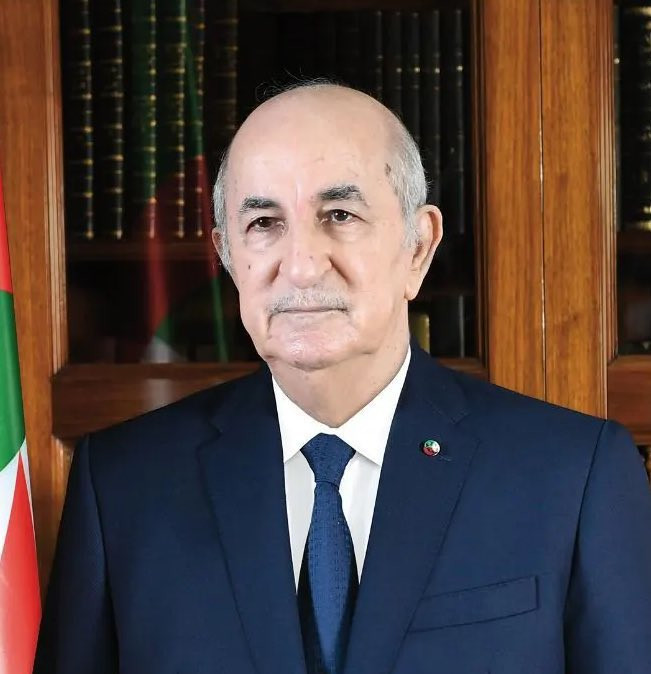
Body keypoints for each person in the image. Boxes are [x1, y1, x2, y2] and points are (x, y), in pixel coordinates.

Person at [35, 83, 651, 674]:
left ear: (418, 248)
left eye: (339, 214)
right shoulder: (123, 488)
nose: (302, 266)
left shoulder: (571, 476)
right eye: (264, 223)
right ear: (227, 255)